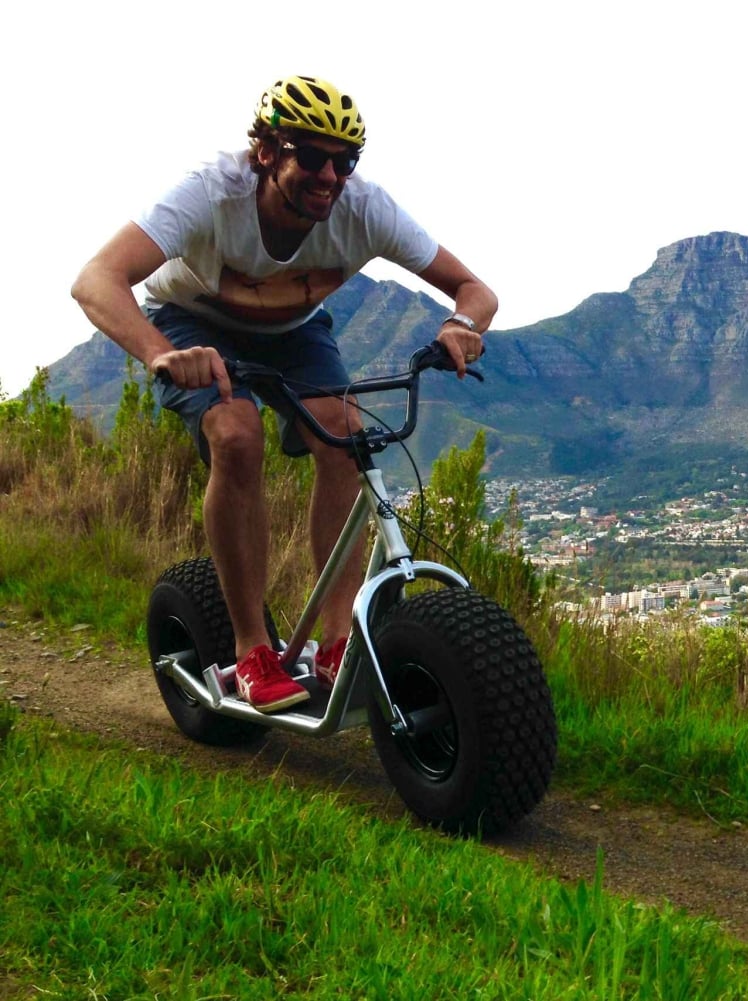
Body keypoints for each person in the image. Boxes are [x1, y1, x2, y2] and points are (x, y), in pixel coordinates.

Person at [72, 75, 496, 713]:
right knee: (236, 435)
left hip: (294, 331)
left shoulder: (366, 209)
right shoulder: (211, 193)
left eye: (345, 162)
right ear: (267, 151)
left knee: (348, 436)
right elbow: (96, 279)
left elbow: (475, 290)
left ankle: (337, 641)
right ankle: (252, 649)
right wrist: (161, 354)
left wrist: (460, 326)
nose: (331, 176)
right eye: (313, 156)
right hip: (192, 324)